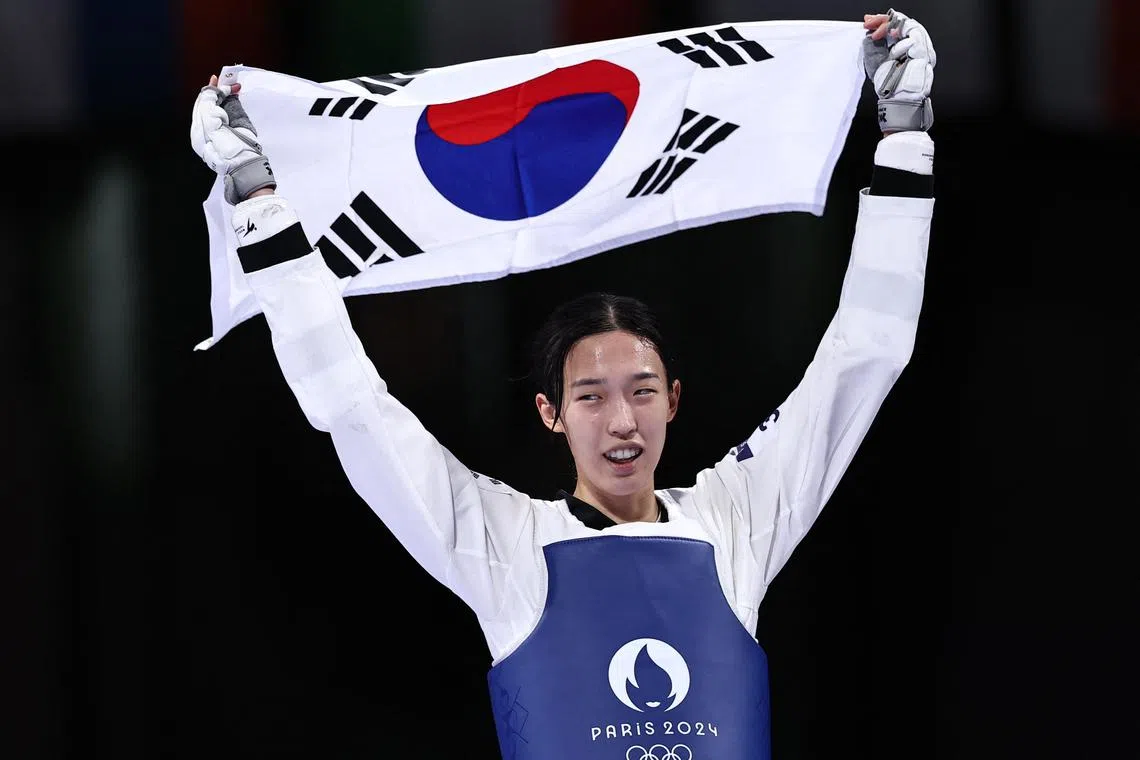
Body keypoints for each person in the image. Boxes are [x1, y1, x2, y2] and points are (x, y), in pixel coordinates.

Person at [190, 9, 935, 760]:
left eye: (642, 391)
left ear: (673, 401)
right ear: (550, 413)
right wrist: (261, 205)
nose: (622, 421)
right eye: (591, 396)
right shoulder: (504, 545)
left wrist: (905, 139)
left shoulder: (735, 522)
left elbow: (865, 354)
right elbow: (352, 408)